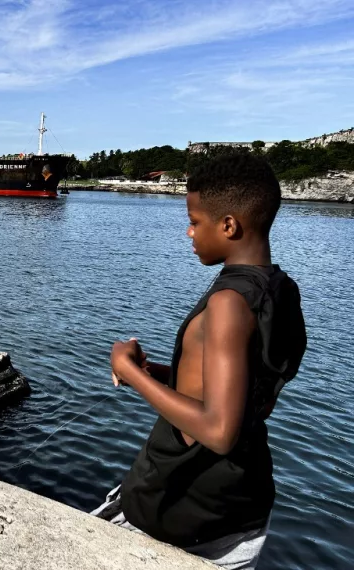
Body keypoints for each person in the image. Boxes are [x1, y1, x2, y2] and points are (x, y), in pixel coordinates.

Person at [94, 154, 306, 570]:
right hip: (239, 507)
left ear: (229, 225)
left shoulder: (228, 303)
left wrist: (130, 371)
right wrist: (158, 372)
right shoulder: (281, 290)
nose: (189, 231)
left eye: (195, 220)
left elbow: (219, 430)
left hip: (179, 505)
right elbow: (243, 388)